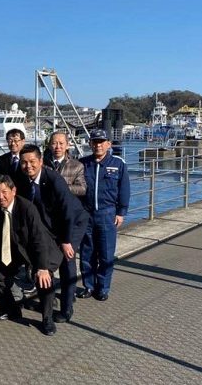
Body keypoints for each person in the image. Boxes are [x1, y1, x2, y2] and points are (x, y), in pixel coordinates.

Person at [18, 145, 88, 324]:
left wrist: (65, 240)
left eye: (32, 161)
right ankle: (48, 300)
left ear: (41, 161)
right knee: (44, 260)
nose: (28, 166)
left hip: (73, 222)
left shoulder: (54, 179)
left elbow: (67, 212)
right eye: (24, 162)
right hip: (50, 225)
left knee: (67, 262)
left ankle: (67, 308)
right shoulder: (23, 179)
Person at [0, 175, 62, 336]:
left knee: (43, 279)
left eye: (4, 192)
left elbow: (39, 239)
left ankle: (47, 318)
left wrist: (42, 268)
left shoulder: (27, 207)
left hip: (36, 249)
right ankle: (10, 310)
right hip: (13, 249)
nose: (0, 197)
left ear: (13, 191)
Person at [77, 129, 130, 301]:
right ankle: (89, 286)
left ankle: (103, 288)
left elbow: (124, 189)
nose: (98, 145)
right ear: (90, 144)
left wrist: (121, 212)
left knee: (106, 254)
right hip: (87, 214)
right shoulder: (83, 163)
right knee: (87, 253)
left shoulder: (118, 164)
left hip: (107, 213)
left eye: (101, 142)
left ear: (108, 144)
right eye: (94, 142)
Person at [44, 131, 86, 197]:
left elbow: (82, 189)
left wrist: (62, 187)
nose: (58, 147)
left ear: (67, 145)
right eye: (54, 143)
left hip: (67, 202)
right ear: (49, 146)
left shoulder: (77, 166)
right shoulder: (42, 164)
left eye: (61, 143)